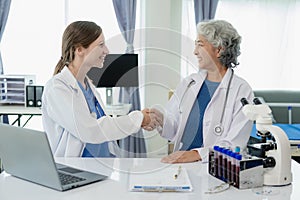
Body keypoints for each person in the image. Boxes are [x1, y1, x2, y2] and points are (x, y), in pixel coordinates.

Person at [42, 21, 153, 157]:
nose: (106, 50)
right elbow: (90, 130)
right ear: (79, 49)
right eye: (101, 45)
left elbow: (104, 128)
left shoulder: (89, 87)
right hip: (77, 169)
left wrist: (140, 119)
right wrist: (138, 119)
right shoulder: (57, 88)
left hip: (102, 166)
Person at [151, 19, 254, 163]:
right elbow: (173, 127)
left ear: (219, 50)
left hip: (217, 167)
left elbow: (235, 144)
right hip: (181, 164)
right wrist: (160, 119)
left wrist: (198, 154)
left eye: (200, 45)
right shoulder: (189, 83)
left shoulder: (242, 90)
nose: (195, 52)